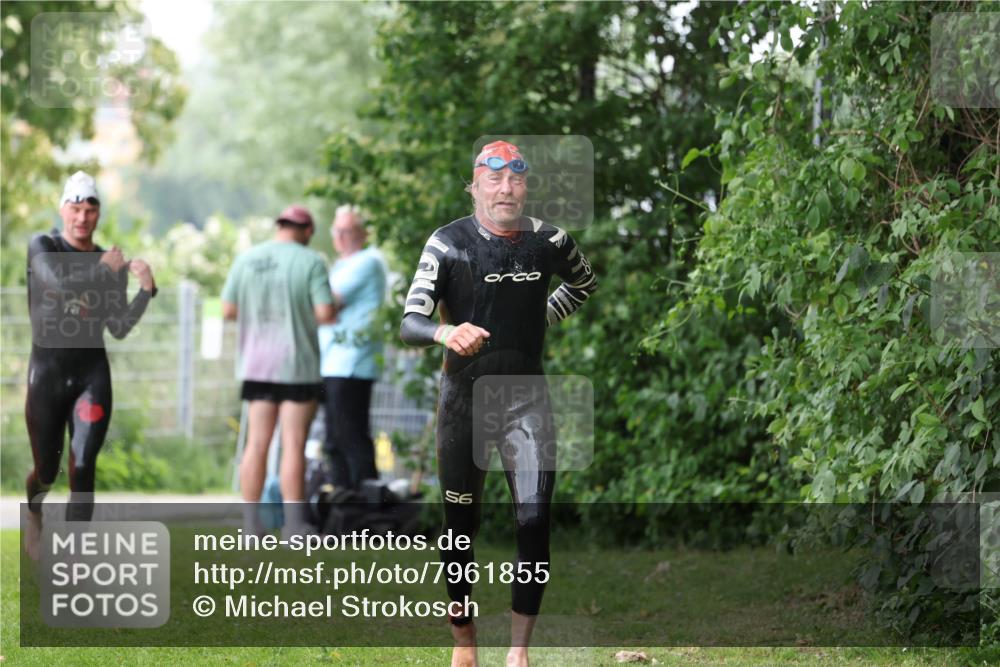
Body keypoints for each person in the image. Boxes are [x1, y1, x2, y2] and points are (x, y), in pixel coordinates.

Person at [399, 141, 597, 667]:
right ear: (476, 185)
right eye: (494, 180)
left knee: (533, 519)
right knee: (461, 527)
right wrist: (446, 332)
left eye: (514, 180)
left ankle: (518, 651)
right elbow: (409, 322)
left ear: (525, 187)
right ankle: (464, 643)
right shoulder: (448, 243)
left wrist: (541, 319)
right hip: (463, 403)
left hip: (526, 401)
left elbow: (584, 283)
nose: (505, 189)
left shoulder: (549, 241)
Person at [23, 171, 158, 560]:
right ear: (63, 210)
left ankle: (74, 556)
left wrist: (145, 292)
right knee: (46, 471)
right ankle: (35, 513)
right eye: (75, 208)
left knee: (82, 465)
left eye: (90, 210)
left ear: (99, 215)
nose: (82, 218)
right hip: (46, 374)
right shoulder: (43, 247)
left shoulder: (108, 263)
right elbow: (60, 286)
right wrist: (104, 271)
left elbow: (118, 327)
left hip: (90, 376)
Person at [221, 205, 335, 539]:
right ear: (307, 231)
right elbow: (325, 312)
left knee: (256, 444)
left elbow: (228, 310)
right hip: (297, 366)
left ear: (279, 226)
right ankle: (293, 527)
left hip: (256, 366)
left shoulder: (247, 259)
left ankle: (250, 525)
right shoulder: (310, 261)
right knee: (294, 445)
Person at [318, 205, 388, 490]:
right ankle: (343, 505)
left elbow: (325, 306)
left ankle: (367, 507)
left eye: (349, 231)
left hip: (352, 363)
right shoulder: (341, 266)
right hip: (333, 361)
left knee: (351, 436)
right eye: (338, 231)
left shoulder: (367, 261)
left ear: (363, 233)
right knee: (335, 438)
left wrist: (321, 310)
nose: (342, 236)